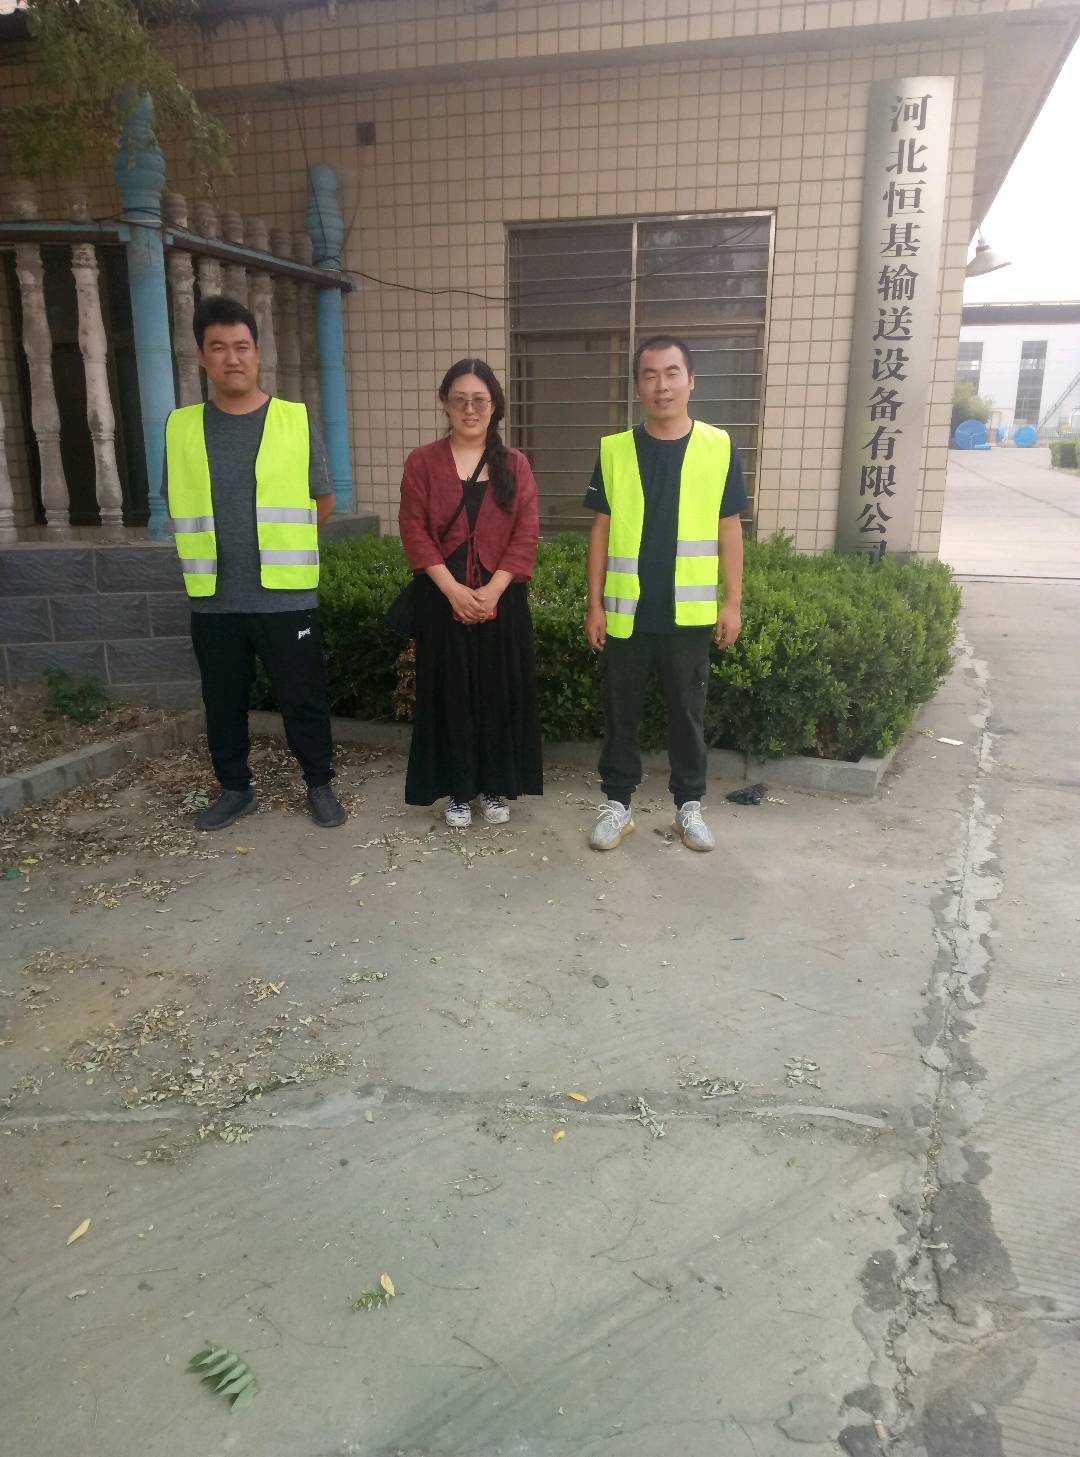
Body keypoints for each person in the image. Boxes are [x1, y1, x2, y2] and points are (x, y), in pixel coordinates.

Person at [164, 294, 346, 832]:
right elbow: (175, 499)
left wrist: (280, 546)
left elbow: (323, 499)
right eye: (218, 347)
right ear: (202, 356)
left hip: (286, 595)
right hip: (214, 597)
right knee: (222, 702)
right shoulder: (181, 427)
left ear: (258, 352)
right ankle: (235, 790)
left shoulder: (294, 420)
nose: (232, 358)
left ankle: (319, 785)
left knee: (303, 698)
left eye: (241, 346)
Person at [583, 335, 746, 852]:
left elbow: (729, 527)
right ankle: (618, 805)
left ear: (691, 380)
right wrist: (593, 604)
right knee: (620, 715)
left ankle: (688, 807)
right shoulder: (614, 449)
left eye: (672, 373)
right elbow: (601, 529)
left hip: (689, 615)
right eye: (650, 375)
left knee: (687, 717)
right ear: (638, 386)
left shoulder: (719, 447)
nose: (662, 385)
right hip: (626, 612)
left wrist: (732, 602)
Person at [398, 358, 543, 826]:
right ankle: (459, 790)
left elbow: (526, 533)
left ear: (495, 405)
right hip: (442, 596)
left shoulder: (515, 465)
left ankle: (495, 786)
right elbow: (414, 531)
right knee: (450, 694)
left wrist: (494, 591)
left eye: (480, 399)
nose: (470, 408)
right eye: (460, 399)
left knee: (498, 692)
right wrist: (452, 590)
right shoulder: (423, 462)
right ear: (445, 403)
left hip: (502, 596)